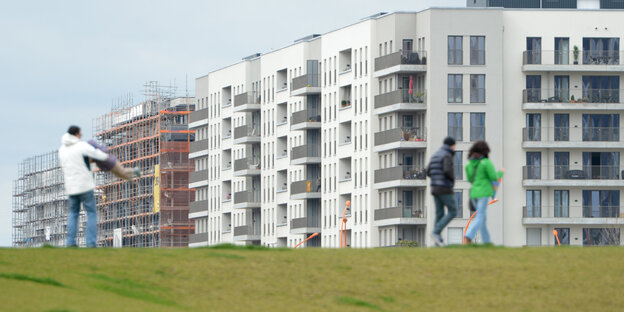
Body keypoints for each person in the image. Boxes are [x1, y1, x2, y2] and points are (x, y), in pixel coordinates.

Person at [59, 125, 109, 247]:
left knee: (73, 213)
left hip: (71, 187)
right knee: (91, 213)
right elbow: (100, 155)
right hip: (84, 185)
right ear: (76, 134)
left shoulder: (62, 150)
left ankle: (70, 242)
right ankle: (91, 243)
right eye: (80, 134)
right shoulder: (81, 146)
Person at [464, 141, 504, 245]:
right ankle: (469, 235)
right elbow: (493, 177)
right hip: (484, 192)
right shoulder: (486, 162)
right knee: (480, 216)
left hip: (473, 193)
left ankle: (486, 241)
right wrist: (501, 172)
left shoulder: (469, 164)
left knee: (483, 218)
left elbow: (469, 179)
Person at [427, 136, 457, 247]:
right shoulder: (447, 155)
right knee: (453, 210)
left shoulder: (435, 154)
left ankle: (436, 243)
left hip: (434, 188)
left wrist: (436, 178)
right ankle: (436, 232)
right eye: (454, 146)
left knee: (439, 213)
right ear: (451, 145)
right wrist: (452, 180)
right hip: (444, 187)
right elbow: (447, 170)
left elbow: (428, 171)